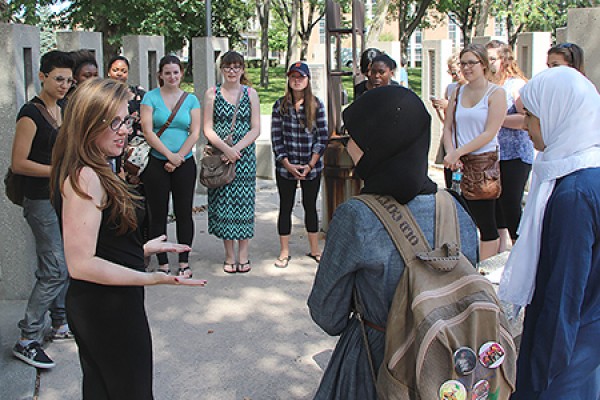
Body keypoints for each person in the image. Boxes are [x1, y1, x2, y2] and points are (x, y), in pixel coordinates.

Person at [307, 85, 478, 400]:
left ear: (377, 144)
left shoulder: (356, 217)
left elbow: (326, 315)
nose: (347, 148)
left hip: (374, 365)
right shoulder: (454, 208)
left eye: (352, 138)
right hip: (447, 367)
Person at [51, 78, 207, 399]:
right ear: (89, 123)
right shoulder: (87, 175)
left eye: (127, 120)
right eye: (116, 122)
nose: (125, 130)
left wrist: (144, 248)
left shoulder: (95, 169)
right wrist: (152, 278)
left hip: (110, 302)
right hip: (106, 308)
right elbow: (80, 263)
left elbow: (101, 242)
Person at [498, 66, 600, 399]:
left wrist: (542, 375)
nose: (526, 127)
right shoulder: (585, 169)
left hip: (570, 354)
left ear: (558, 114)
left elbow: (564, 294)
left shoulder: (574, 193)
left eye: (531, 117)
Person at [10, 50, 74, 369]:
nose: (64, 85)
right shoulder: (29, 114)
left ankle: (60, 323)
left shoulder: (62, 107)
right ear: (43, 76)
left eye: (68, 80)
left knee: (63, 262)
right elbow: (18, 163)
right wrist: (57, 171)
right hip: (39, 200)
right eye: (58, 78)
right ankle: (27, 339)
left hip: (61, 197)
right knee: (54, 269)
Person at [442, 44, 506, 260]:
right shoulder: (457, 91)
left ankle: (483, 271)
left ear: (484, 65)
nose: (467, 68)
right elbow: (448, 126)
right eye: (463, 63)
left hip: (481, 163)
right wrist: (451, 153)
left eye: (472, 63)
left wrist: (459, 152)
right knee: (459, 218)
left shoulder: (496, 93)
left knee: (485, 222)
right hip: (456, 163)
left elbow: (489, 132)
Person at [140, 55, 200, 278]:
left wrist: (179, 158)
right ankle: (162, 261)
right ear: (160, 75)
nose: (172, 76)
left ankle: (184, 260)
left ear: (181, 73)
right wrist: (168, 156)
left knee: (184, 212)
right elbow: (148, 131)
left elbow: (195, 132)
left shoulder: (191, 99)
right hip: (157, 162)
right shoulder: (150, 97)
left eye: (175, 72)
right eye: (167, 73)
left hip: (184, 163)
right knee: (158, 213)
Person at [203, 51, 261, 274]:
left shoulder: (251, 94)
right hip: (220, 156)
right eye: (228, 67)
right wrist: (226, 150)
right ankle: (229, 254)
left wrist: (236, 149)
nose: (232, 71)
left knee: (244, 203)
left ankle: (244, 254)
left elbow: (255, 128)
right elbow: (207, 127)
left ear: (243, 69)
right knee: (224, 202)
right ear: (221, 69)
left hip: (244, 156)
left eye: (236, 67)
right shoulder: (212, 94)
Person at [271, 62, 328, 268]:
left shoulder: (316, 105)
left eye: (301, 77)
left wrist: (310, 165)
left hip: (310, 166)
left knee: (310, 206)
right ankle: (284, 251)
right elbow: (276, 139)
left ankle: (314, 248)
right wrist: (287, 164)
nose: (297, 80)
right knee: (285, 207)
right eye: (293, 76)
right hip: (286, 166)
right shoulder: (280, 105)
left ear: (307, 80)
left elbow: (322, 138)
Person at [486, 40, 533, 252]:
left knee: (511, 203)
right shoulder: (488, 86)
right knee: (495, 205)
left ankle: (521, 249)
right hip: (494, 154)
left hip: (515, 155)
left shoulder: (516, 86)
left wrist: (499, 119)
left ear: (504, 60)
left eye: (492, 59)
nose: (489, 64)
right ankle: (502, 250)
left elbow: (526, 119)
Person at [432, 53, 467, 188]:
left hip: (465, 140)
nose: (456, 76)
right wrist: (439, 109)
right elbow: (446, 122)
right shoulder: (451, 88)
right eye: (452, 73)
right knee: (451, 183)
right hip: (451, 140)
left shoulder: (472, 89)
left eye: (457, 72)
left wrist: (451, 105)